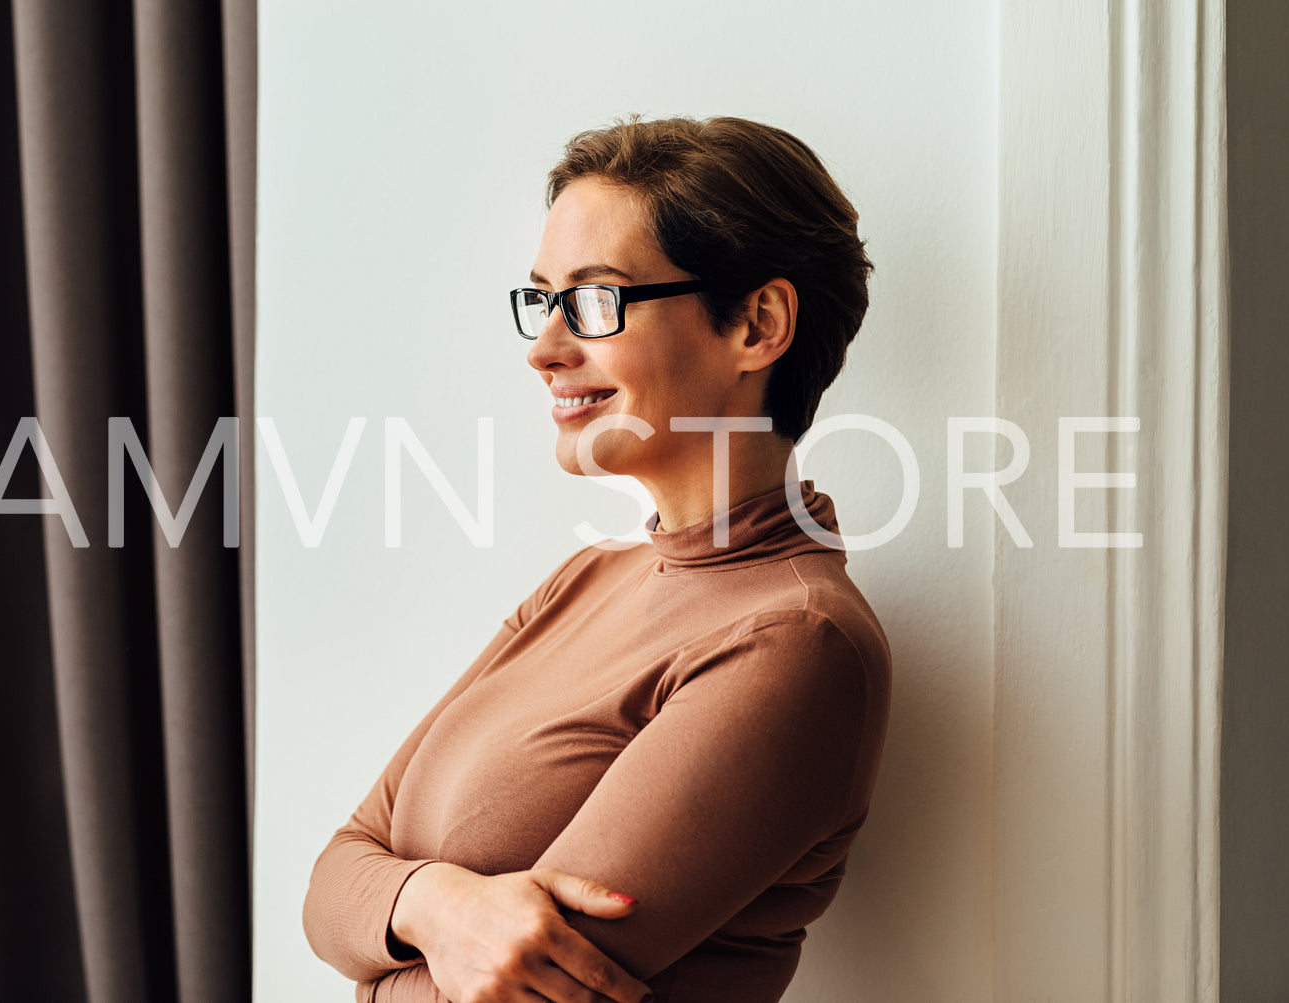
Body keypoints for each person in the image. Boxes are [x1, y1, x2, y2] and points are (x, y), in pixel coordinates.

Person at [302, 114, 891, 1003]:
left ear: (758, 325)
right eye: (543, 298)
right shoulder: (585, 580)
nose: (544, 350)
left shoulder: (793, 640)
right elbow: (330, 876)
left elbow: (517, 992)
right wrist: (433, 901)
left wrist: (387, 926)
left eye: (595, 298)